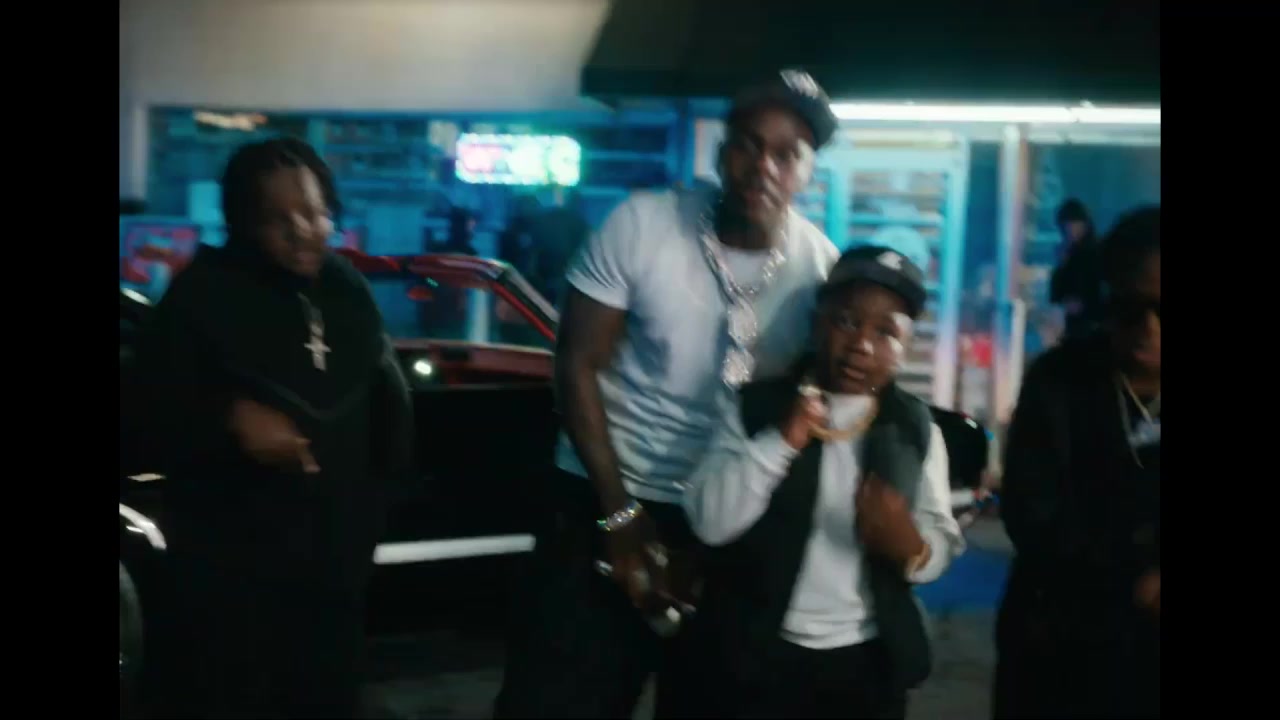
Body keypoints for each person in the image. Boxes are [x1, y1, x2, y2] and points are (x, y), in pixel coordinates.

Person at [493, 69, 841, 718]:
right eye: (748, 144)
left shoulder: (819, 271)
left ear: (807, 170)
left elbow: (809, 412)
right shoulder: (643, 225)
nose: (762, 166)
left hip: (723, 516)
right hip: (601, 495)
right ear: (721, 150)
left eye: (787, 153)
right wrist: (619, 515)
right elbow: (576, 363)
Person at [132, 137, 414, 719]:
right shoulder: (202, 295)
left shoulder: (346, 289)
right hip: (233, 583)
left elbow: (383, 402)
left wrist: (369, 513)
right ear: (242, 223)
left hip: (332, 577)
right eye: (277, 220)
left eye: (314, 213)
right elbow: (146, 411)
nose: (302, 232)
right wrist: (227, 417)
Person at [679, 246, 964, 719]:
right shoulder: (757, 408)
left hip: (864, 664)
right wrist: (781, 442)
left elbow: (939, 540)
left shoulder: (914, 427)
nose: (862, 346)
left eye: (886, 332)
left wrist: (911, 547)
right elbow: (710, 522)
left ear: (906, 347)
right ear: (818, 323)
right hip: (757, 655)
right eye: (847, 321)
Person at [993, 206, 1160, 718]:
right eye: (1131, 308)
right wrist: (1134, 579)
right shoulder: (1059, 380)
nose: (1149, 327)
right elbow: (1031, 511)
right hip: (1060, 643)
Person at [1049, 199, 1103, 339]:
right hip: (1072, 324)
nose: (1071, 230)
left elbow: (1100, 289)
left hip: (1094, 324)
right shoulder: (1066, 252)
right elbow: (1056, 293)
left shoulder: (1097, 251)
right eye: (1066, 226)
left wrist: (1084, 305)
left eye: (1074, 224)